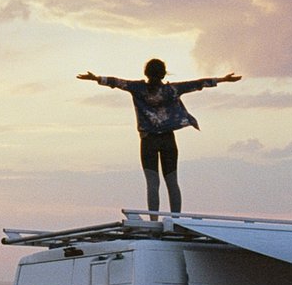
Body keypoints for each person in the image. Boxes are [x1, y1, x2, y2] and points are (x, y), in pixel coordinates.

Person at [79, 60, 241, 213]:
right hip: (167, 140)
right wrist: (223, 79)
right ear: (164, 75)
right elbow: (198, 84)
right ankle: (176, 219)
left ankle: (154, 219)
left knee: (152, 183)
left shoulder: (138, 88)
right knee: (172, 183)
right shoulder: (171, 90)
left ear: (146, 73)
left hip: (148, 140)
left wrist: (96, 78)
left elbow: (116, 82)